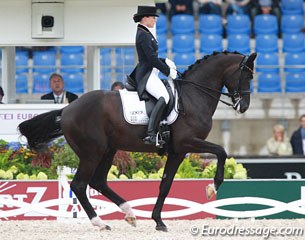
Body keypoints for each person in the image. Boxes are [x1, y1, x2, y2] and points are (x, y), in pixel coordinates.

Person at [131, 5, 177, 147]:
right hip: (146, 74)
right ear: (145, 18)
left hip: (152, 71)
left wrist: (164, 61)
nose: (155, 20)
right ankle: (151, 134)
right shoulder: (143, 34)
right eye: (153, 17)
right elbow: (150, 58)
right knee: (165, 97)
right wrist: (167, 70)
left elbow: (152, 56)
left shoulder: (145, 32)